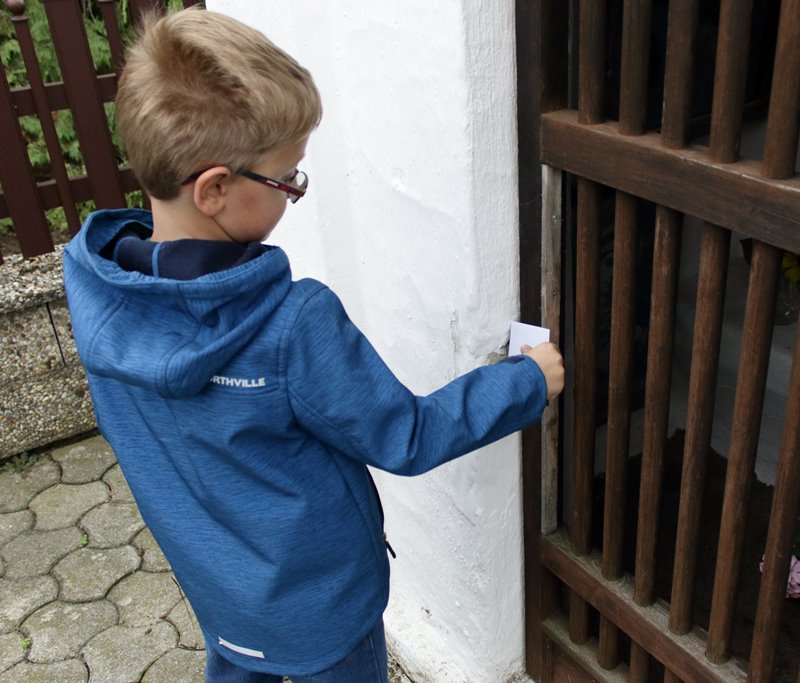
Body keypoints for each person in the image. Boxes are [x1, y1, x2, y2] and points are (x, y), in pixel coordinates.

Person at [62, 9, 564, 683]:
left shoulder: (98, 294)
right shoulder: (292, 324)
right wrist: (526, 379)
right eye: (288, 179)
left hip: (221, 599)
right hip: (323, 613)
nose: (297, 192)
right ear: (214, 188)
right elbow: (404, 435)